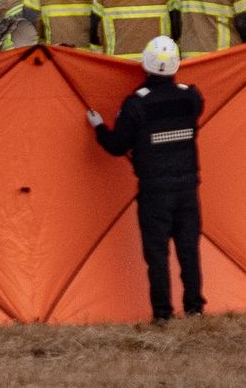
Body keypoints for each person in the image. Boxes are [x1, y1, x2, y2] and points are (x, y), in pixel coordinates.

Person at [87, 36, 204, 322]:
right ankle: (195, 309)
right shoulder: (191, 97)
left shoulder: (136, 104)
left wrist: (99, 126)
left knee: (157, 254)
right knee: (189, 250)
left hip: (155, 191)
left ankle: (163, 314)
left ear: (145, 64)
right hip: (188, 188)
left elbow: (117, 146)